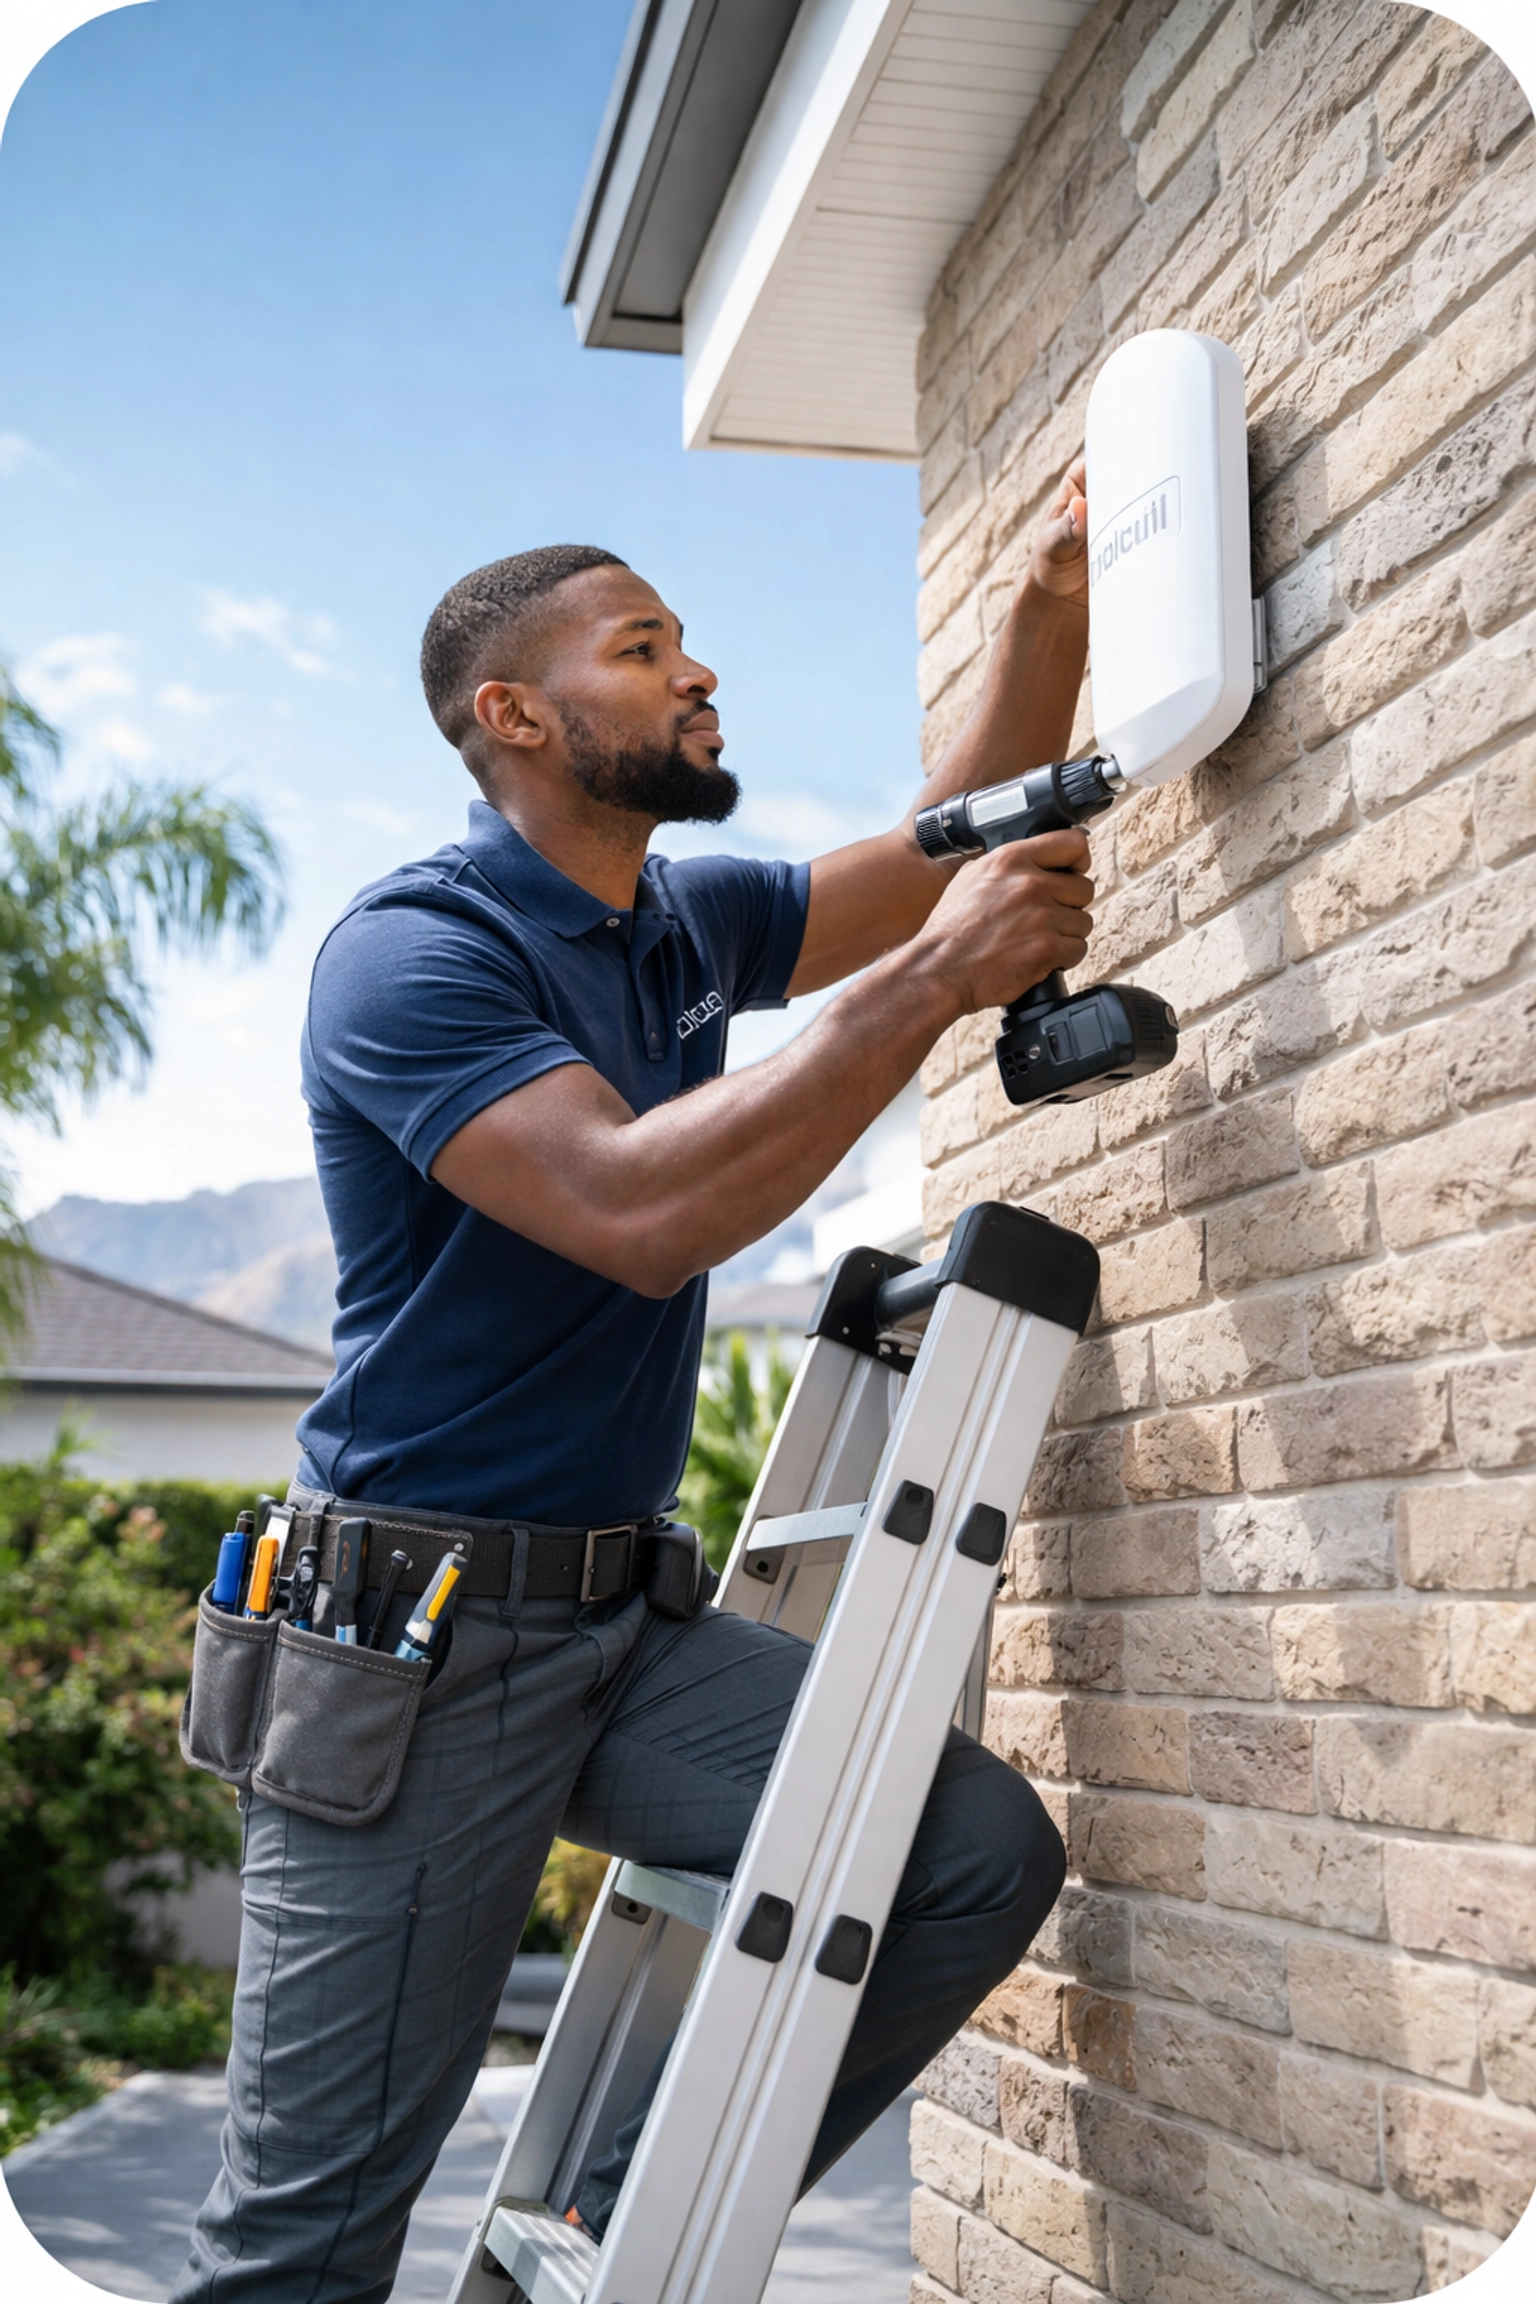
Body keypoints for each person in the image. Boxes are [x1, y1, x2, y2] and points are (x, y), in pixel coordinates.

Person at [173, 461, 1097, 2302]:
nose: (698, 670)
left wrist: (1049, 612)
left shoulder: (679, 925)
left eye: (686, 640)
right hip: (415, 1649)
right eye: (643, 645)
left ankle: (599, 2229)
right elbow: (636, 1212)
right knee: (305, 2239)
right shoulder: (417, 954)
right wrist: (928, 990)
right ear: (515, 716)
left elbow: (927, 857)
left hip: (616, 1631)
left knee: (964, 1851)